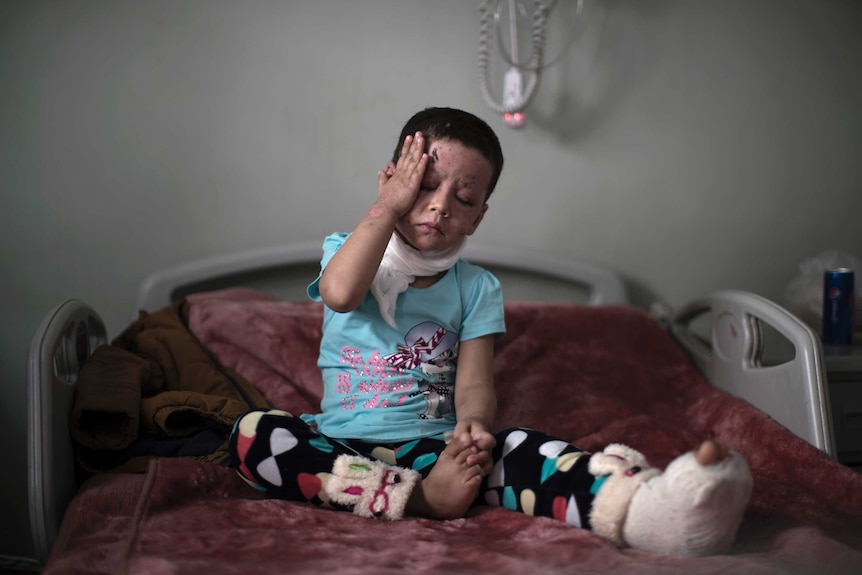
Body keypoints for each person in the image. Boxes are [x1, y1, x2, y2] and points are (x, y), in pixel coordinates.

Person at [227, 109, 745, 540]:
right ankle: (418, 502)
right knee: (257, 434)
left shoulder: (477, 287)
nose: (440, 205)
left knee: (526, 449)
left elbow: (475, 383)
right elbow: (341, 295)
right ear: (393, 181)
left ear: (478, 216)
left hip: (436, 450)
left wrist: (472, 427)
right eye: (425, 185)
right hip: (342, 447)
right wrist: (385, 207)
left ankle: (651, 510)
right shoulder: (348, 250)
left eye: (464, 198)